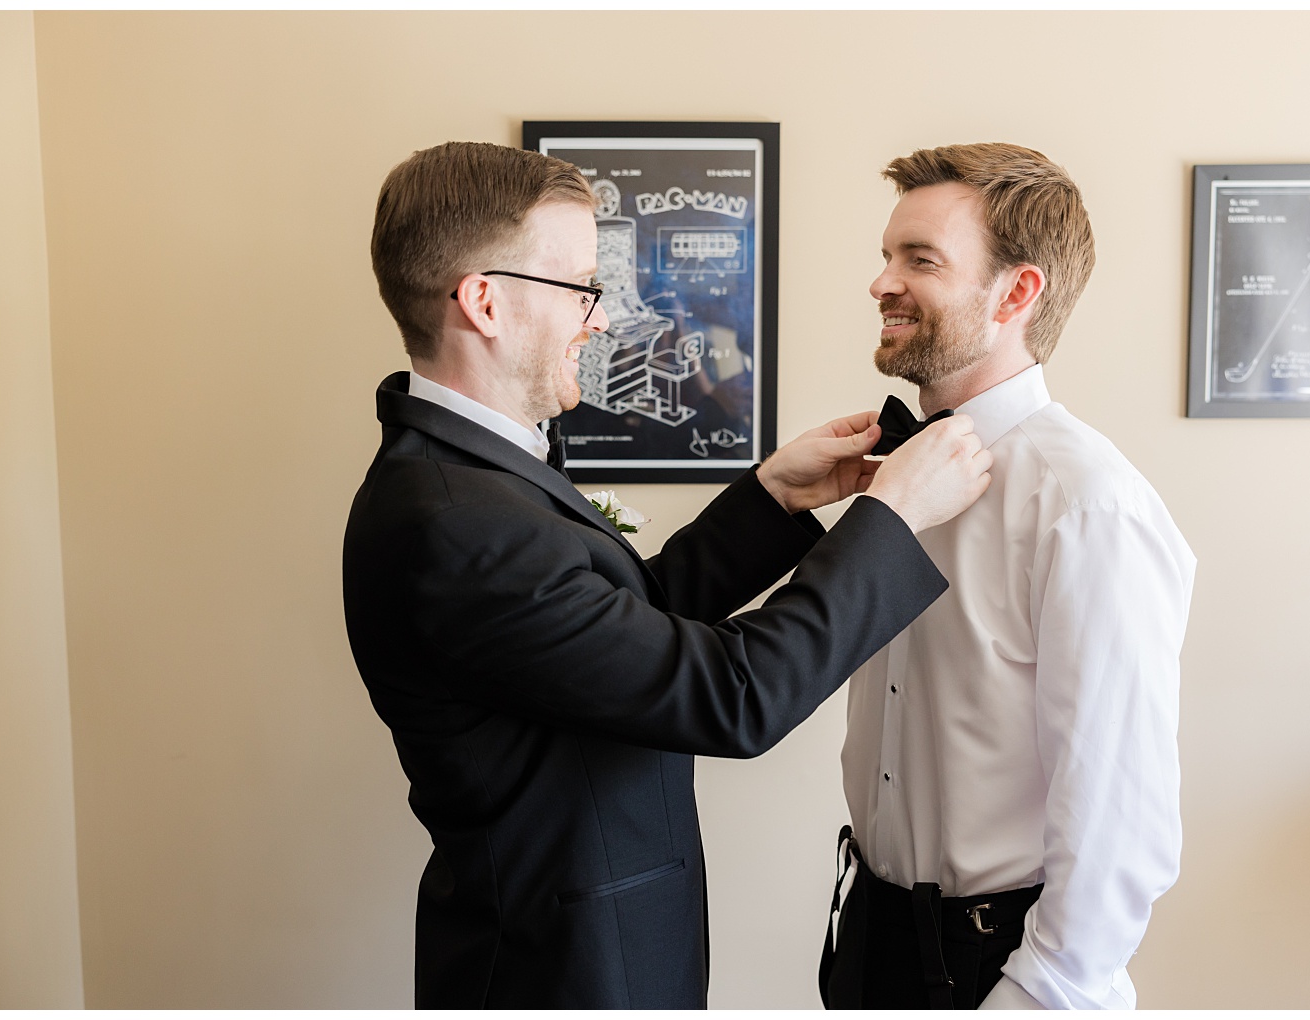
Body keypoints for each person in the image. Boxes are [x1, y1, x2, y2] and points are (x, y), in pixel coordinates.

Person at [342, 140, 997, 1009]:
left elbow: (613, 629)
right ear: (486, 303)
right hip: (563, 974)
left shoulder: (473, 479)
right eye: (581, 287)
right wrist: (892, 521)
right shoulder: (455, 522)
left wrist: (773, 498)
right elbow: (731, 696)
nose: (601, 318)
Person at [820, 143, 1197, 1009]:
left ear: (1017, 293)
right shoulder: (889, 471)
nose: (881, 283)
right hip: (867, 940)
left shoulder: (1089, 507)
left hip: (996, 969)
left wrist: (1036, 995)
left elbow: (1119, 822)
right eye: (886, 255)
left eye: (920, 260)